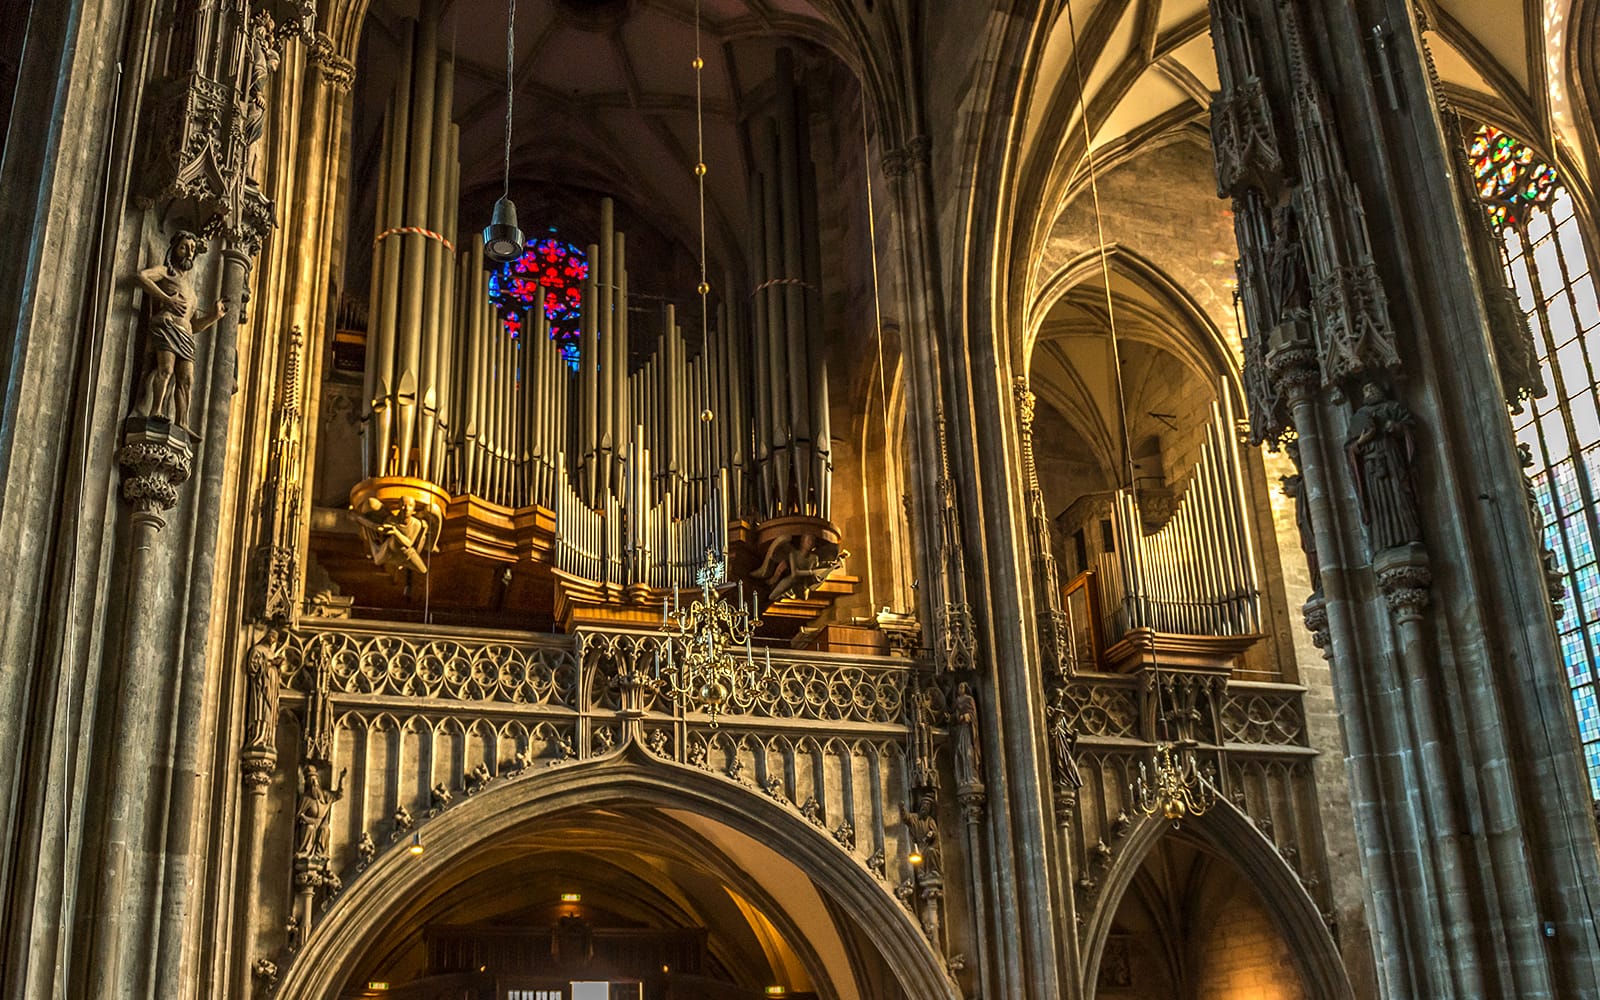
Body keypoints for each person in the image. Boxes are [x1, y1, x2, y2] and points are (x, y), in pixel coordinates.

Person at [133, 230, 225, 430]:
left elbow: (194, 325)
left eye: (192, 249)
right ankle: (155, 410)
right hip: (167, 327)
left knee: (186, 379)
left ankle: (182, 421)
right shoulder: (166, 272)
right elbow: (142, 276)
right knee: (165, 370)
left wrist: (214, 316)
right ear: (174, 250)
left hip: (185, 335)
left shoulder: (191, 291)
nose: (188, 253)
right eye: (184, 247)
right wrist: (166, 299)